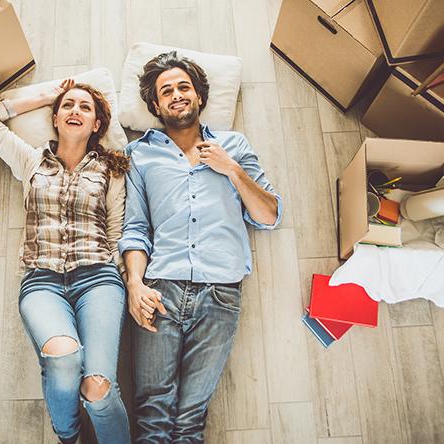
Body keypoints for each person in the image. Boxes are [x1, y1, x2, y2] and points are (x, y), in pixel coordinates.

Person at [118, 51, 283, 443]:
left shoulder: (233, 145)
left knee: (191, 419)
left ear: (198, 97)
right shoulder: (139, 154)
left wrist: (232, 169)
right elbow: (136, 228)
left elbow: (269, 215)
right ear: (156, 105)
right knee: (152, 414)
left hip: (221, 293)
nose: (177, 94)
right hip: (161, 288)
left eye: (184, 87)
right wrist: (134, 285)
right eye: (167, 91)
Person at [0, 79, 130, 444]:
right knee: (62, 360)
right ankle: (68, 434)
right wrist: (47, 97)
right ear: (56, 119)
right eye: (68, 106)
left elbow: (116, 230)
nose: (75, 110)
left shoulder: (112, 170)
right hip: (42, 281)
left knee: (98, 389)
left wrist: (130, 283)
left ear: (97, 125)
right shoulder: (31, 160)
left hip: (99, 280)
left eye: (85, 107)